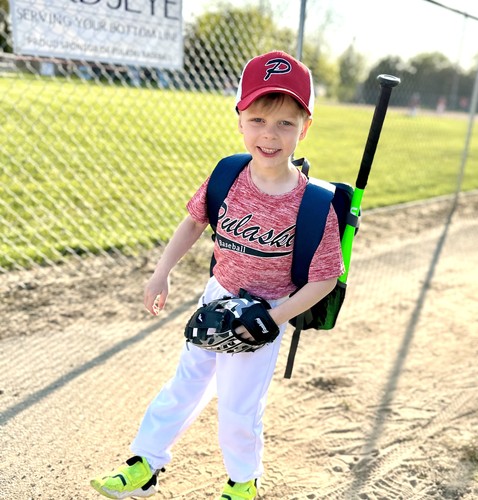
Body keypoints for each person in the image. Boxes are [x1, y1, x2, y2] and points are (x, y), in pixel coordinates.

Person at [90, 50, 344, 500]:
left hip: (266, 313)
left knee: (238, 405)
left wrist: (274, 318)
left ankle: (243, 481)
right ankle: (145, 463)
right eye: (258, 119)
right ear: (239, 119)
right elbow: (193, 223)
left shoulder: (313, 204)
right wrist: (161, 272)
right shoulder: (228, 174)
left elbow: (324, 278)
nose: (269, 134)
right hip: (217, 297)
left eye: (285, 123)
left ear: (305, 128)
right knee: (185, 383)